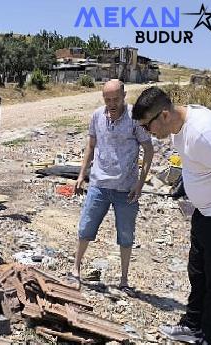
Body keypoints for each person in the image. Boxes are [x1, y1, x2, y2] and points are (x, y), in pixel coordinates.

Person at [133, 86, 211, 345]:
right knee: (199, 273)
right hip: (205, 213)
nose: (147, 132)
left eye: (147, 126)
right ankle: (193, 326)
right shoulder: (180, 127)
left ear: (164, 115)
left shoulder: (203, 132)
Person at [72, 79, 154, 291]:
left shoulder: (135, 119)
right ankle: (75, 270)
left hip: (126, 188)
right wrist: (82, 174)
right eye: (107, 99)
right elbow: (91, 145)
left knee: (126, 234)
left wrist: (140, 183)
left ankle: (124, 279)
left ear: (124, 96)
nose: (112, 103)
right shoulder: (97, 116)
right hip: (99, 184)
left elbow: (149, 150)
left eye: (115, 99)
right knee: (85, 227)